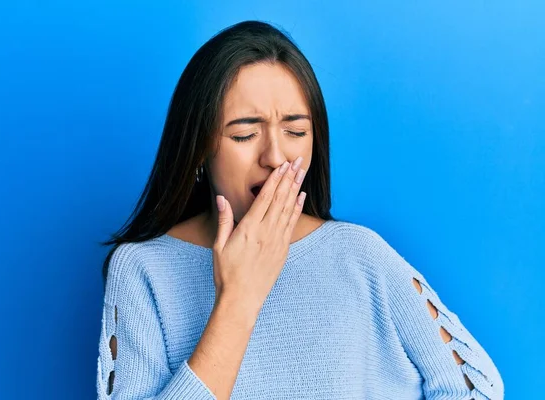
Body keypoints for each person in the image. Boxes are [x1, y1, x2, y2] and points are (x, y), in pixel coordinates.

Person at [96, 20, 504, 400]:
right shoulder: (141, 270)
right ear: (200, 147)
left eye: (295, 132)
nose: (275, 156)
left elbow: (478, 387)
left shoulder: (359, 254)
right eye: (244, 134)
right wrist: (239, 299)